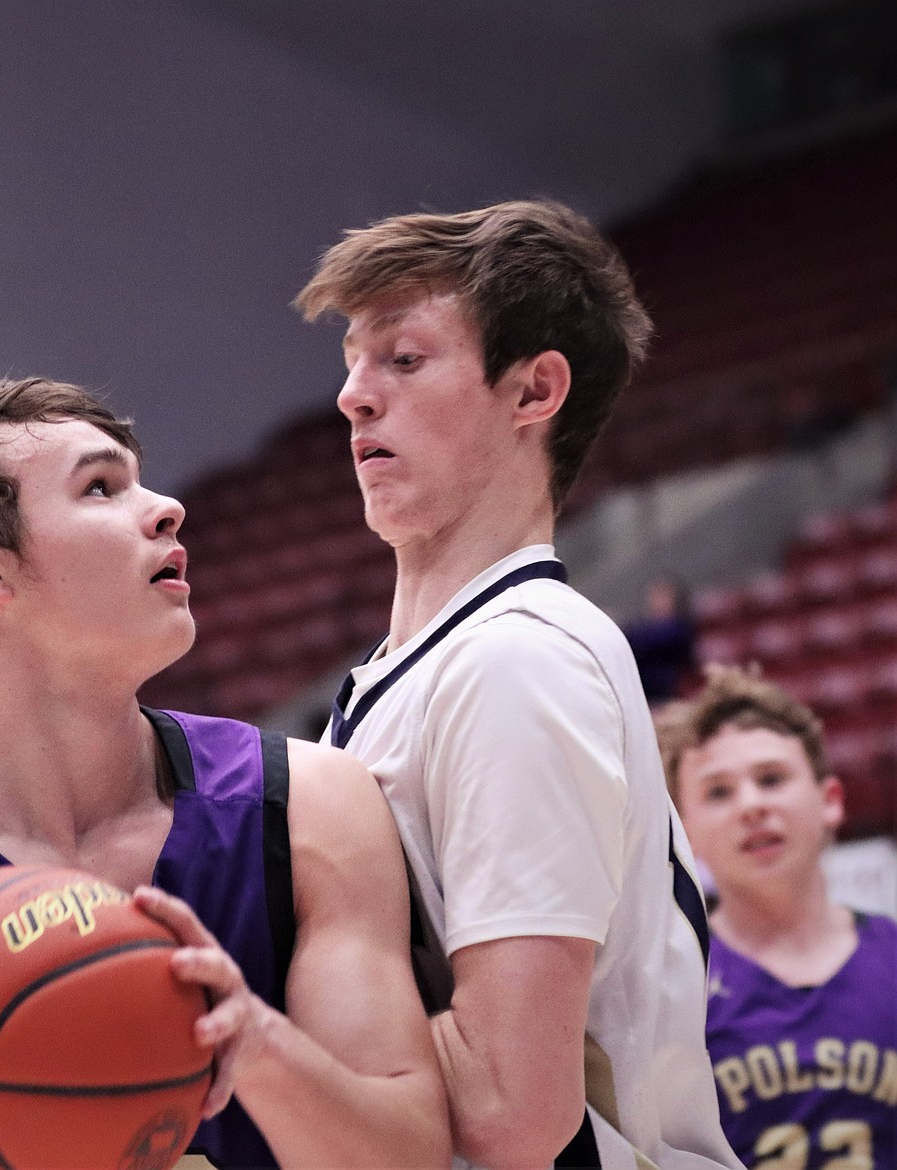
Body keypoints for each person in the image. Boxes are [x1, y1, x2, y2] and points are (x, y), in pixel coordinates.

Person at [0, 377, 449, 1170]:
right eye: (101, 488)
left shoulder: (307, 804)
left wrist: (257, 1041)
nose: (167, 507)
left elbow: (408, 1157)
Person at [294, 200, 742, 1170]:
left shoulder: (517, 661)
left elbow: (511, 1112)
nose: (354, 399)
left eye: (403, 360)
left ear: (534, 391)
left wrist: (232, 1035)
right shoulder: (428, 669)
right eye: (352, 367)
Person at [657, 663, 897, 1170]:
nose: (751, 805)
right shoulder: (671, 991)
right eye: (718, 792)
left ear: (829, 801)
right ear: (685, 831)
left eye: (771, 778)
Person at [623, 576, 698, 706]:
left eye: (662, 595)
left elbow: (646, 642)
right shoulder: (647, 626)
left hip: (670, 689)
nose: (655, 600)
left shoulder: (678, 625)